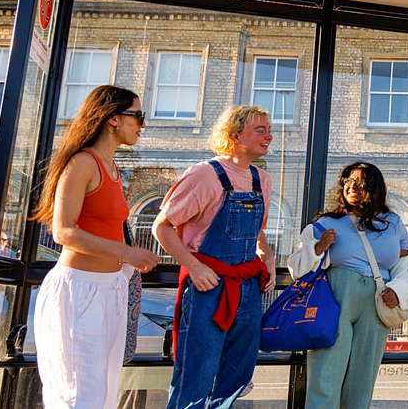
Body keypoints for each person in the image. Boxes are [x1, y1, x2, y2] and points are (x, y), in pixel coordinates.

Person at [32, 85, 160, 409]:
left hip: (109, 292)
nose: (142, 125)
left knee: (101, 398)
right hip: (79, 293)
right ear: (113, 119)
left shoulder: (113, 168)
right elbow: (62, 231)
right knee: (79, 398)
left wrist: (127, 262)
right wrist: (127, 253)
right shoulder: (83, 162)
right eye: (138, 116)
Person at [153, 106, 277, 409]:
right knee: (195, 377)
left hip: (247, 291)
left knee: (237, 376)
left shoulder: (262, 179)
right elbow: (162, 227)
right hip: (208, 287)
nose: (269, 136)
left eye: (268, 130)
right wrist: (194, 268)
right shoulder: (204, 174)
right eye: (259, 130)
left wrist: (268, 257)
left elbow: (257, 232)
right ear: (234, 136)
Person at [286, 162, 408, 409]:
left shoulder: (394, 223)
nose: (352, 187)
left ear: (375, 188)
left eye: (360, 182)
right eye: (347, 181)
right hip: (335, 298)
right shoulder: (324, 223)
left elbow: (405, 267)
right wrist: (318, 247)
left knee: (362, 378)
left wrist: (398, 291)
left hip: (377, 300)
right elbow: (295, 267)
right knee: (325, 373)